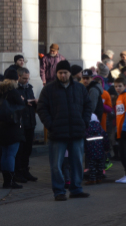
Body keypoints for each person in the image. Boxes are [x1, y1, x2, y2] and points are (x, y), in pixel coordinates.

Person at [37, 60, 94, 200]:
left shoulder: (80, 89)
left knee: (77, 163)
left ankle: (76, 189)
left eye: (65, 73)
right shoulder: (49, 89)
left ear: (70, 73)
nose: (63, 75)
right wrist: (50, 125)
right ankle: (59, 191)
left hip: (76, 131)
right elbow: (42, 109)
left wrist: (84, 122)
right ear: (56, 73)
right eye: (60, 73)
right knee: (56, 164)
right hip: (57, 133)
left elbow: (88, 106)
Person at [0, 78, 25, 189]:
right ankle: (10, 181)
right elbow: (22, 106)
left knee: (4, 154)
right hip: (13, 127)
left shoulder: (1, 91)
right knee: (11, 154)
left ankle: (6, 180)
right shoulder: (14, 92)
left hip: (2, 127)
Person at [14, 68, 37, 182]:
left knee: (28, 149)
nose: (26, 81)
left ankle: (25, 170)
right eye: (24, 78)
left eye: (28, 78)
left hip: (30, 123)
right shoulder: (15, 89)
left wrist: (35, 102)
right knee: (20, 150)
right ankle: (18, 172)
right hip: (20, 124)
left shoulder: (29, 88)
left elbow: (31, 103)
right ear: (18, 76)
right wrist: (24, 102)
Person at [84, 114, 109, 185]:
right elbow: (106, 138)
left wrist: (84, 149)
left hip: (90, 151)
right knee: (100, 165)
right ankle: (99, 178)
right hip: (100, 151)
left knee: (92, 166)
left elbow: (84, 139)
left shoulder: (87, 128)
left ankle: (92, 179)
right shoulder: (100, 128)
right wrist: (107, 148)